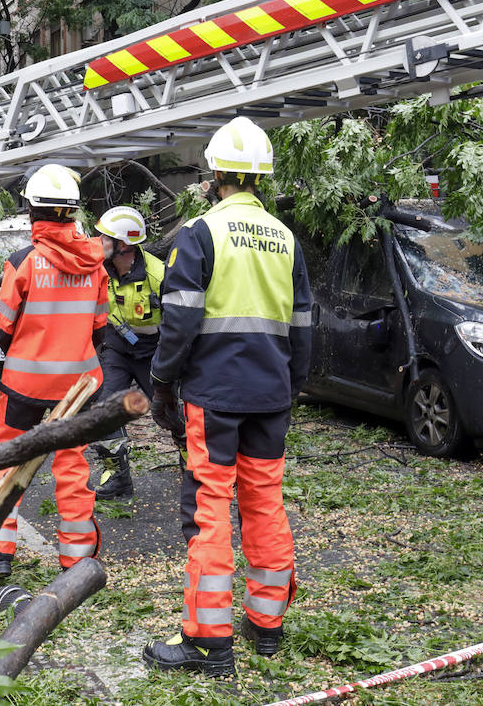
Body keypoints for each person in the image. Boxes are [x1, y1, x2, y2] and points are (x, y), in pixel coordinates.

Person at [141, 116, 313, 677]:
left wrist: (162, 381)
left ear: (215, 172)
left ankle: (208, 643)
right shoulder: (285, 239)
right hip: (272, 395)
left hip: (213, 397)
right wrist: (293, 385)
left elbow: (181, 320)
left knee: (209, 510)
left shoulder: (200, 234)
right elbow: (305, 324)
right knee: (264, 503)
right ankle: (266, 625)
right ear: (259, 176)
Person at [0, 164, 109, 579]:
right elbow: (99, 327)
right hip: (77, 385)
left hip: (25, 382)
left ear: (32, 211)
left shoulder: (22, 263)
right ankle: (76, 560)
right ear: (73, 212)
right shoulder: (96, 264)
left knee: (6, 462)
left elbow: (3, 327)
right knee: (72, 468)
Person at [89, 205, 165, 499]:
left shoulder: (158, 275)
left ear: (124, 245)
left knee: (171, 410)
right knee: (106, 410)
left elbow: (179, 325)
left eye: (105, 237)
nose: (99, 241)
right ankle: (117, 477)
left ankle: (194, 464)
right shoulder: (97, 271)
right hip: (117, 348)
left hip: (155, 350)